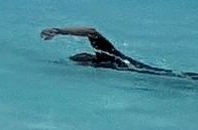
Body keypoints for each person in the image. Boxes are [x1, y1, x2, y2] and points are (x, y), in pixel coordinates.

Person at [42, 26, 193, 77]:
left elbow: (91, 31)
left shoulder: (107, 54)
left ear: (87, 59)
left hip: (156, 74)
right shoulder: (105, 63)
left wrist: (58, 31)